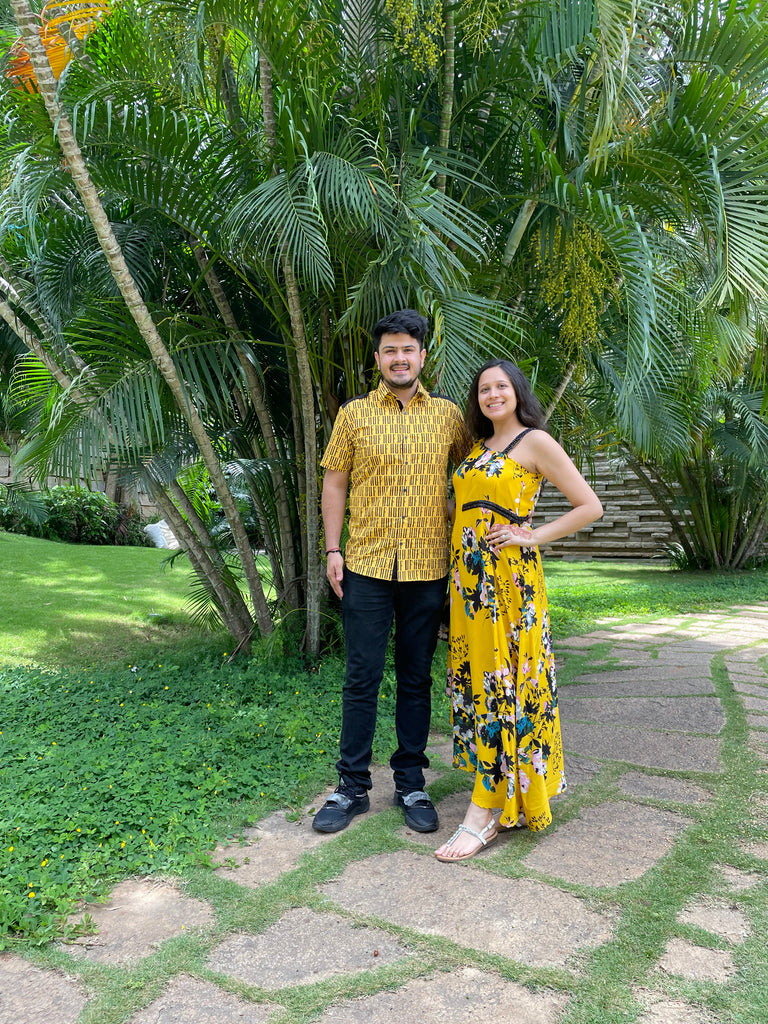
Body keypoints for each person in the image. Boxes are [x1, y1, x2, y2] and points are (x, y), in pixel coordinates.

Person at [434, 358, 603, 862]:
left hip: (510, 583)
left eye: (500, 386)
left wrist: (531, 536)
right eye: (483, 389)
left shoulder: (535, 442)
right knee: (479, 681)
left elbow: (589, 506)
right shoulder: (476, 448)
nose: (492, 395)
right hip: (468, 583)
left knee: (502, 683)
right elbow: (464, 508)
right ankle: (507, 791)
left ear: (517, 392)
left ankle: (483, 812)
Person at [314, 309, 472, 834]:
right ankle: (351, 787)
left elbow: (471, 478)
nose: (399, 358)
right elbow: (335, 483)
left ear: (422, 356)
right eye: (390, 350)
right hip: (366, 564)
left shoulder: (450, 416)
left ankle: (410, 782)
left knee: (415, 677)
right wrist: (333, 549)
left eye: (408, 349)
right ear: (378, 358)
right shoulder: (354, 414)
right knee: (361, 676)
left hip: (428, 567)